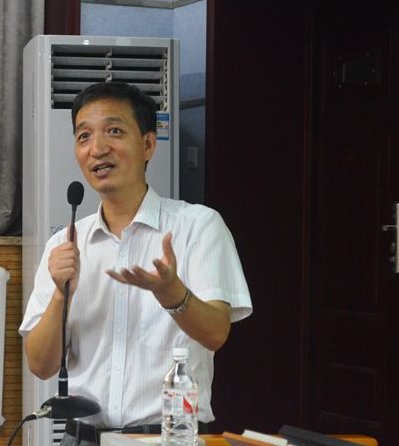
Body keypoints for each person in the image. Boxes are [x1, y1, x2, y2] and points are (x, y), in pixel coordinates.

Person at [19, 82, 252, 445]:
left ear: (147, 145)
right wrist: (61, 297)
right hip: (82, 438)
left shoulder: (198, 226)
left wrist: (172, 293)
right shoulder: (65, 244)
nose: (97, 148)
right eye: (84, 136)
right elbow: (40, 365)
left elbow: (216, 333)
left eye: (114, 131)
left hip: (168, 437)